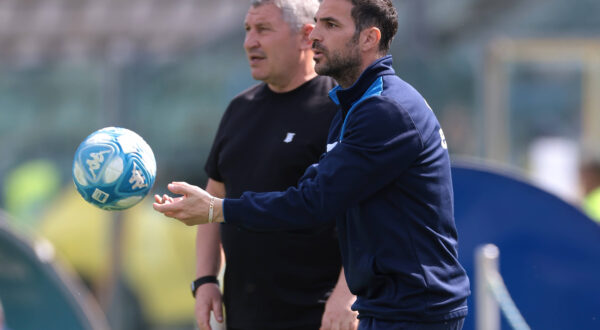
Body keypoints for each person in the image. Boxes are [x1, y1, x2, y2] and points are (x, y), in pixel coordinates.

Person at [154, 0, 471, 329]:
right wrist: (206, 275)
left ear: (368, 38)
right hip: (387, 306)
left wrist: (218, 209)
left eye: (331, 25)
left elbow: (313, 202)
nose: (316, 34)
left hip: (411, 312)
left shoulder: (385, 110)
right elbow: (317, 194)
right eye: (317, 22)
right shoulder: (353, 105)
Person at [191, 1, 357, 330]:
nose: (249, 42)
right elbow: (214, 198)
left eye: (263, 29)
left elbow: (364, 214)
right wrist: (206, 279)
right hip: (245, 316)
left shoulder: (340, 110)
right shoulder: (239, 109)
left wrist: (347, 294)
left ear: (307, 36)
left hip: (319, 317)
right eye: (247, 30)